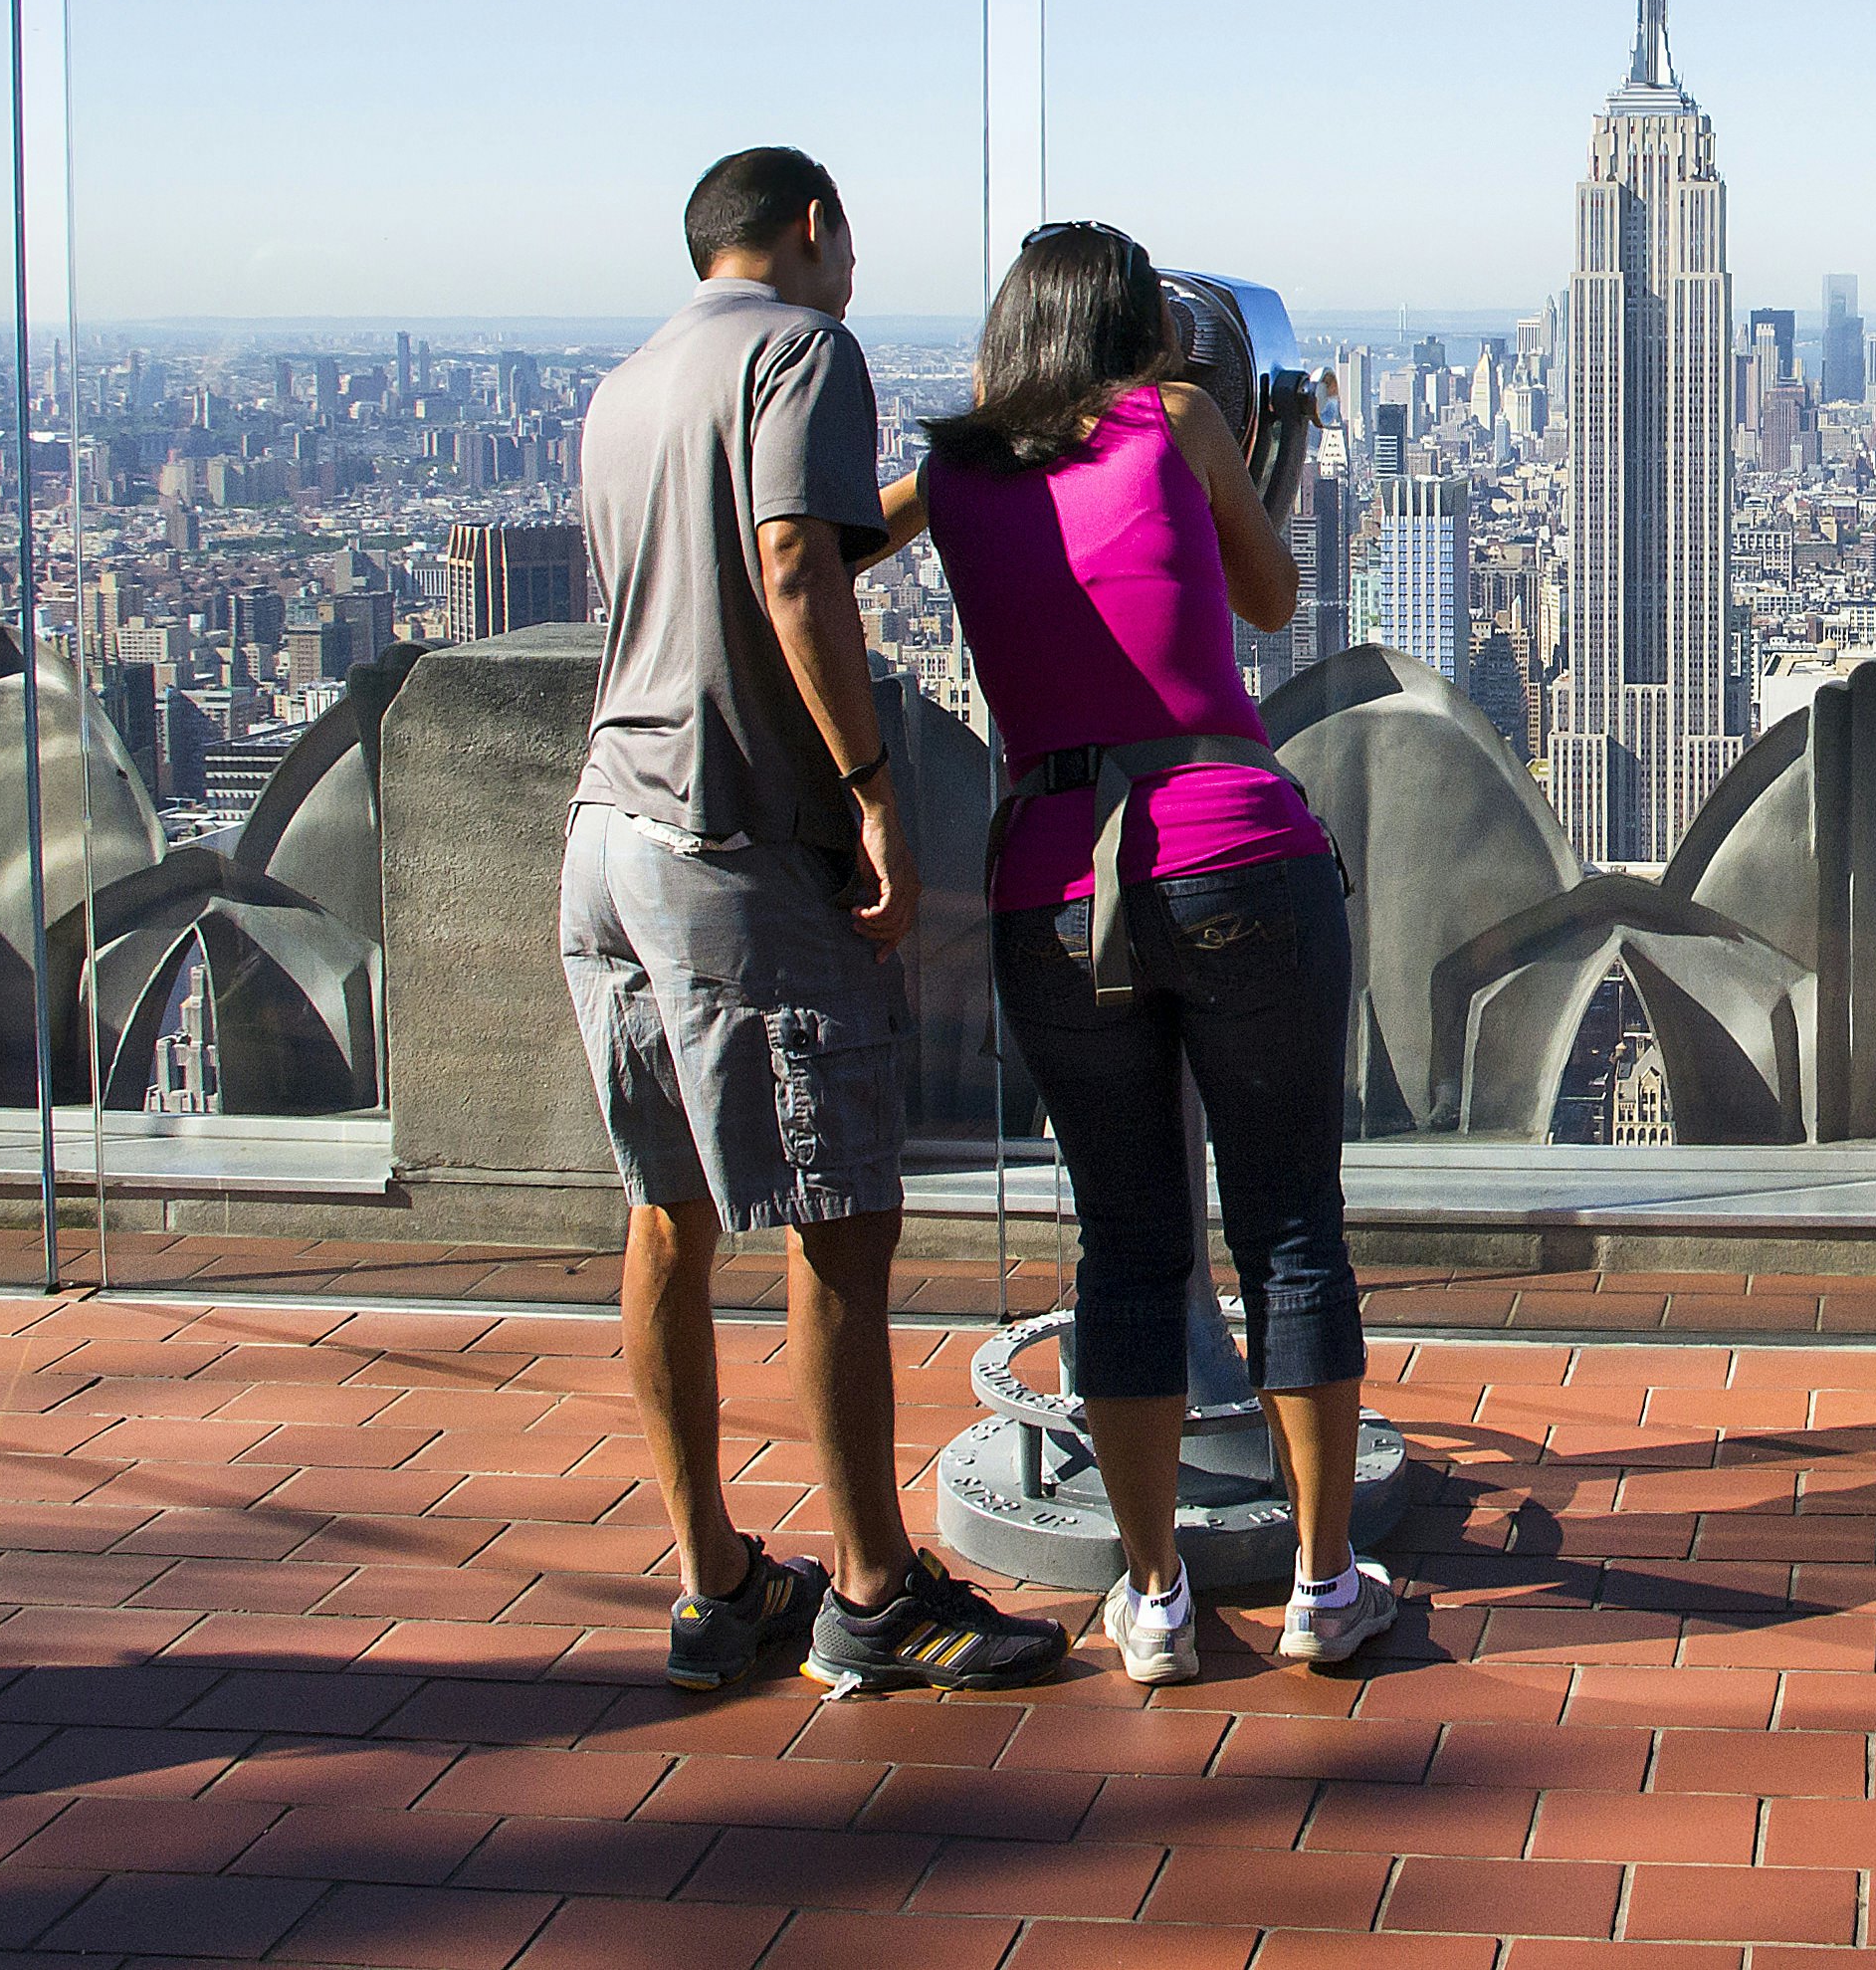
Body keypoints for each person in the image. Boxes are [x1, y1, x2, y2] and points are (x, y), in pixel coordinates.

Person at [564, 145, 1069, 1699]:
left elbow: (790, 539)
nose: (857, 276)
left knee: (671, 1215)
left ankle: (720, 1586)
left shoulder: (632, 383)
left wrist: (949, 473)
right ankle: (871, 1593)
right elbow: (791, 568)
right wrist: (866, 786)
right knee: (841, 1212)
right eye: (848, 247)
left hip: (608, 830)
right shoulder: (805, 347)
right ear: (810, 229)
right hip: (735, 844)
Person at [900, 220, 1401, 1680]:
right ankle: (1321, 1586)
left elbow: (827, 540)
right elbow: (1269, 598)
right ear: (1139, 331)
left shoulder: (952, 471)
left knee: (1122, 1242)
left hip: (1052, 880)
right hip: (1233, 843)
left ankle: (1156, 1598)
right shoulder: (1178, 419)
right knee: (1290, 1224)